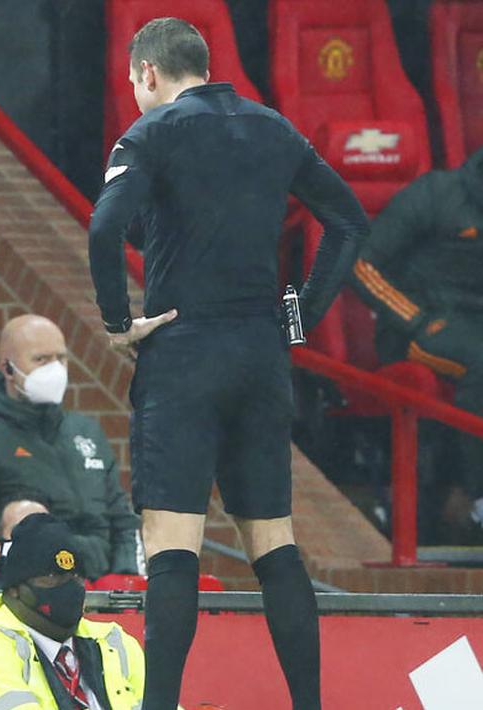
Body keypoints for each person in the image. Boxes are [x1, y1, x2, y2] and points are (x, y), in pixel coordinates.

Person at [87, 18, 368, 709]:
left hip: (183, 354)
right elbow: (348, 220)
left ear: (147, 73)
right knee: (273, 544)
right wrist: (296, 317)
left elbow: (101, 228)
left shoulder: (149, 134)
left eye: (132, 83)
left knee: (172, 545)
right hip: (260, 355)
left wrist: (119, 323)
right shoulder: (275, 129)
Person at [0, 315, 140, 585]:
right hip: (35, 584)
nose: (56, 369)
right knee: (23, 512)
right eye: (41, 359)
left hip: (104, 581)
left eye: (61, 358)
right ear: (7, 369)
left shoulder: (85, 432)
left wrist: (125, 578)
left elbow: (121, 518)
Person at [350, 146, 483, 535]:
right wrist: (415, 320)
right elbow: (360, 263)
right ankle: (477, 498)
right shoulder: (437, 193)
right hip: (416, 328)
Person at [0, 513, 146, 710]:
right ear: (15, 589)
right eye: (52, 576)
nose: (68, 587)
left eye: (75, 577)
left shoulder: (114, 643)